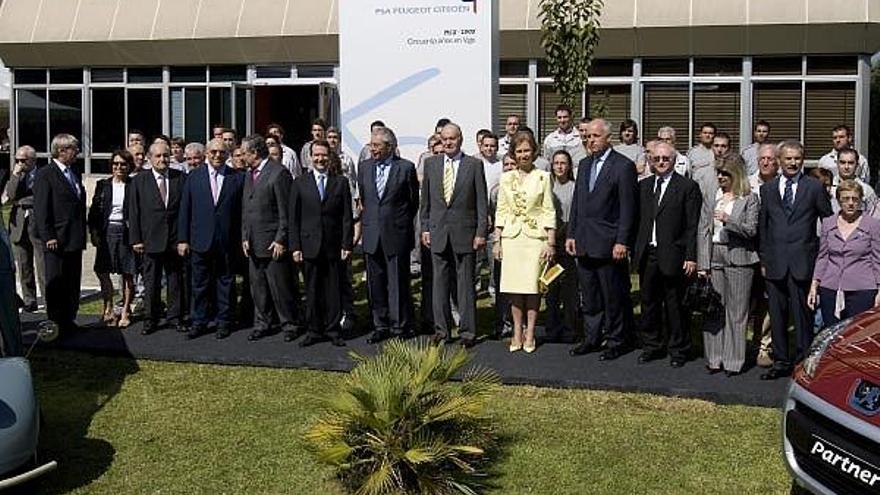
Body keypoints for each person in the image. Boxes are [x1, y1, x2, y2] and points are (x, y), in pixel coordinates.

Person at [758, 140, 833, 380]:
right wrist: (764, 258)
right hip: (775, 262)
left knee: (803, 317)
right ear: (779, 161)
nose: (792, 163)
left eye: (797, 158)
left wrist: (821, 254)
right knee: (777, 315)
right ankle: (780, 361)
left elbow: (828, 222)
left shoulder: (813, 187)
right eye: (788, 158)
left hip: (803, 262)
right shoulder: (768, 189)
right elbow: (764, 226)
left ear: (802, 160)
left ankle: (802, 363)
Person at [567, 118, 638, 361]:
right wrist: (572, 234)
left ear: (608, 138)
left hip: (609, 244)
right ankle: (591, 338)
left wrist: (622, 241)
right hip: (585, 242)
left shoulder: (623, 166)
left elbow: (628, 208)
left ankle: (617, 339)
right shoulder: (585, 164)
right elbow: (578, 203)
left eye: (595, 136)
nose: (590, 140)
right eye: (587, 137)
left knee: (613, 295)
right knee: (590, 295)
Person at [634, 142, 701, 368]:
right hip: (648, 254)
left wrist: (691, 256)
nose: (661, 162)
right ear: (650, 161)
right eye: (656, 159)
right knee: (649, 302)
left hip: (674, 255)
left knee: (675, 305)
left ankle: (678, 349)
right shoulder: (643, 187)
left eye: (665, 159)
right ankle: (652, 346)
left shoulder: (687, 187)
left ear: (674, 161)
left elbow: (692, 225)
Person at [420, 123, 487, 347]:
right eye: (444, 139)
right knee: (439, 284)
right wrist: (426, 228)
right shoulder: (431, 164)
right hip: (438, 233)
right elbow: (426, 203)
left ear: (460, 139)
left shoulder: (474, 165)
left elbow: (481, 202)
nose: (448, 142)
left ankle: (467, 332)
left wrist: (480, 232)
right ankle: (442, 330)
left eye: (452, 138)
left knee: (465, 285)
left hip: (465, 234)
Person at [493, 132, 556, 353]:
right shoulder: (505, 178)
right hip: (511, 238)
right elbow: (501, 209)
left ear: (534, 151)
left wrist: (550, 242)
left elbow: (549, 209)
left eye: (527, 150)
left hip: (535, 239)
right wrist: (497, 240)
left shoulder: (543, 177)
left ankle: (530, 333)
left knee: (532, 289)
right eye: (519, 151)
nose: (523, 155)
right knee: (514, 289)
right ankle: (516, 332)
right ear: (513, 153)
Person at [697, 155, 760, 376]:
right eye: (719, 173)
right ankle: (714, 359)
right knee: (714, 308)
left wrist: (728, 219)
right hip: (715, 254)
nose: (721, 177)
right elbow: (703, 229)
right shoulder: (712, 195)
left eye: (726, 173)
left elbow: (751, 230)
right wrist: (702, 263)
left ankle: (733, 361)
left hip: (740, 256)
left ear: (736, 174)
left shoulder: (749, 198)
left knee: (736, 312)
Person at [177, 138, 244, 340]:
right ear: (206, 153)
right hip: (200, 240)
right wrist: (183, 239)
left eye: (222, 152)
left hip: (226, 241)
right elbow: (185, 210)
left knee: (225, 283)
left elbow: (241, 213)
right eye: (213, 152)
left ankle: (224, 322)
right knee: (199, 284)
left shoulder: (237, 178)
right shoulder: (193, 177)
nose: (217, 155)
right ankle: (199, 321)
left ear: (228, 154)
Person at [358, 126, 420, 343]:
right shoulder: (365, 168)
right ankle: (380, 324)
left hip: (396, 234)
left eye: (377, 145)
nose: (372, 149)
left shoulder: (405, 168)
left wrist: (399, 223)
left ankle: (399, 326)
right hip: (372, 234)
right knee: (375, 284)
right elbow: (365, 198)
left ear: (390, 147)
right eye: (371, 145)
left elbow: (413, 203)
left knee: (397, 283)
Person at [290, 140, 353, 347]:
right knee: (312, 289)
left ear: (330, 156)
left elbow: (346, 216)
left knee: (333, 290)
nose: (320, 159)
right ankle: (314, 330)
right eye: (316, 155)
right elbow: (294, 218)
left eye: (324, 155)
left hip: (333, 246)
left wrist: (346, 244)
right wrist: (296, 246)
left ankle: (333, 329)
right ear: (310, 157)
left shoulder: (341, 182)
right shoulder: (300, 183)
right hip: (308, 246)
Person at [241, 134, 301, 341]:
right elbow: (247, 209)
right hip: (254, 242)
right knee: (258, 287)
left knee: (280, 287)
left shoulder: (278, 173)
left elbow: (286, 212)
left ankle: (290, 324)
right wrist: (245, 236)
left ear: (255, 153)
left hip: (273, 242)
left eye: (244, 153)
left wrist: (281, 239)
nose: (241, 156)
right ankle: (263, 323)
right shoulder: (249, 174)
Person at [129, 141, 188, 335]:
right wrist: (136, 239)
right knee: (151, 282)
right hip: (150, 240)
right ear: (149, 158)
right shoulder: (139, 180)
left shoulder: (180, 178)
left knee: (175, 281)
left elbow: (185, 211)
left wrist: (183, 239)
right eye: (158, 156)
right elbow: (134, 212)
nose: (162, 159)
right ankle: (150, 318)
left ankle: (175, 317)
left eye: (165, 156)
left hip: (174, 241)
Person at [33, 134, 87, 333]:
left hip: (74, 237)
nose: (77, 152)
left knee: (72, 282)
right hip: (56, 239)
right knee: (56, 283)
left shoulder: (74, 172)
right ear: (61, 150)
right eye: (74, 148)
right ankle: (55, 324)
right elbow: (41, 208)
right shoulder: (45, 174)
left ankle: (69, 320)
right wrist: (48, 236)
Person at [809, 180, 880, 327]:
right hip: (830, 288)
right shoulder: (828, 223)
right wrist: (814, 285)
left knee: (856, 334)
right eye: (846, 199)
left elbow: (877, 259)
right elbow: (822, 256)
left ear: (861, 200)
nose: (850, 203)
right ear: (839, 200)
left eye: (855, 199)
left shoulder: (872, 225)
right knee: (832, 333)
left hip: (862, 290)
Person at [88, 150, 136, 328]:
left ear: (129, 166)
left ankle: (125, 311)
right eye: (116, 164)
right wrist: (93, 233)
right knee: (102, 271)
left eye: (123, 164)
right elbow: (94, 212)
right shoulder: (103, 185)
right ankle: (108, 307)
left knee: (127, 273)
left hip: (126, 232)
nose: (119, 167)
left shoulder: (134, 185)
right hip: (106, 231)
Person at [4, 145, 43, 312]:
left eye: (23, 160)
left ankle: (49, 300)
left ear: (33, 160)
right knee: (24, 264)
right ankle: (29, 300)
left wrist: (24, 201)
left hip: (37, 223)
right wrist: (15, 175)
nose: (20, 163)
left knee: (42, 266)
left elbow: (39, 197)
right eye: (17, 160)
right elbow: (10, 196)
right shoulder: (16, 176)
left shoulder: (42, 175)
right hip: (19, 223)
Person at [545, 150, 579, 342]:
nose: (559, 166)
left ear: (569, 166)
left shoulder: (575, 187)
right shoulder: (547, 187)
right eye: (556, 163)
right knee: (551, 288)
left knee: (569, 289)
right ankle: (552, 328)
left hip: (568, 242)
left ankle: (570, 329)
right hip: (551, 244)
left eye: (563, 163)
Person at [831, 148, 877, 213]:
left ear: (857, 165)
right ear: (837, 163)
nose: (846, 167)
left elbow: (875, 215)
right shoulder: (828, 188)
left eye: (850, 163)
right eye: (842, 162)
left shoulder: (866, 190)